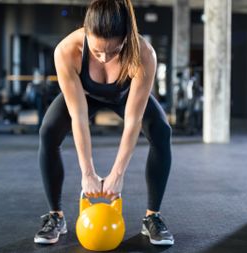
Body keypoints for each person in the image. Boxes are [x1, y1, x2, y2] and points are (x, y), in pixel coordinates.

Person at [34, 0, 174, 246]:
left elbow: (133, 120)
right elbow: (78, 116)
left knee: (161, 131)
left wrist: (117, 174)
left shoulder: (144, 54)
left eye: (113, 51)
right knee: (48, 131)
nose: (104, 58)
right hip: (86, 95)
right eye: (97, 52)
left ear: (126, 39)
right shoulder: (66, 51)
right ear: (87, 33)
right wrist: (87, 173)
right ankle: (55, 216)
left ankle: (153, 217)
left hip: (124, 95)